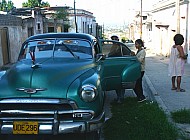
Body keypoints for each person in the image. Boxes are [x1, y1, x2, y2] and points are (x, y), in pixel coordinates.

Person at [110, 35, 125, 103]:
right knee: (116, 83)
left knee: (120, 83)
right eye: (113, 40)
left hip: (120, 65)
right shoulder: (114, 46)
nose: (114, 41)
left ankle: (121, 98)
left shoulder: (120, 47)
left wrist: (108, 55)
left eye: (115, 39)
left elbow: (113, 53)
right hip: (115, 65)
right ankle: (118, 97)